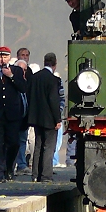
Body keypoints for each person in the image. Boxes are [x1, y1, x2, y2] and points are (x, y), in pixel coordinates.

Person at [0, 45, 27, 182]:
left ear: (9, 57)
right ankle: (0, 173)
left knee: (13, 143)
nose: (2, 59)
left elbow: (23, 88)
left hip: (13, 114)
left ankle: (9, 168)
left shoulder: (17, 71)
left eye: (5, 56)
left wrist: (11, 76)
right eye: (0, 56)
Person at [28, 53, 62, 183]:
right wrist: (57, 119)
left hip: (36, 117)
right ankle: (46, 175)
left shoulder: (35, 78)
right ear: (55, 64)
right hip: (49, 119)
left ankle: (35, 174)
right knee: (49, 146)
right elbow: (54, 100)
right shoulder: (53, 79)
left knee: (38, 145)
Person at [13, 49, 33, 174]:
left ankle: (21, 164)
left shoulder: (30, 73)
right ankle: (11, 165)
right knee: (12, 141)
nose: (25, 57)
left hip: (25, 113)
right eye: (22, 55)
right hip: (13, 114)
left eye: (26, 55)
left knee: (23, 140)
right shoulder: (12, 72)